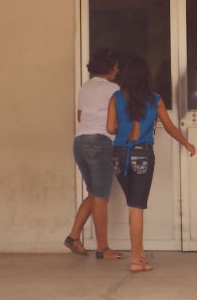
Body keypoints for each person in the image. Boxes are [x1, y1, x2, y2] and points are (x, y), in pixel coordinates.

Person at [106, 57, 196, 273]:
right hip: (142, 156)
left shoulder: (115, 97)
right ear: (146, 76)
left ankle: (141, 255)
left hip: (118, 155)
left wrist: (123, 127)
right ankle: (136, 261)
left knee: (132, 206)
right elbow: (170, 127)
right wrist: (186, 143)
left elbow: (109, 128)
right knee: (137, 208)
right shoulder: (155, 99)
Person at [64, 49, 125, 260]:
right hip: (100, 142)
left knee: (93, 193)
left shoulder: (85, 87)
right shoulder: (113, 88)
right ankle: (103, 248)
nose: (117, 71)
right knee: (101, 197)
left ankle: (73, 237)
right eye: (116, 67)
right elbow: (117, 118)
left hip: (80, 142)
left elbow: (81, 115)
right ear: (109, 68)